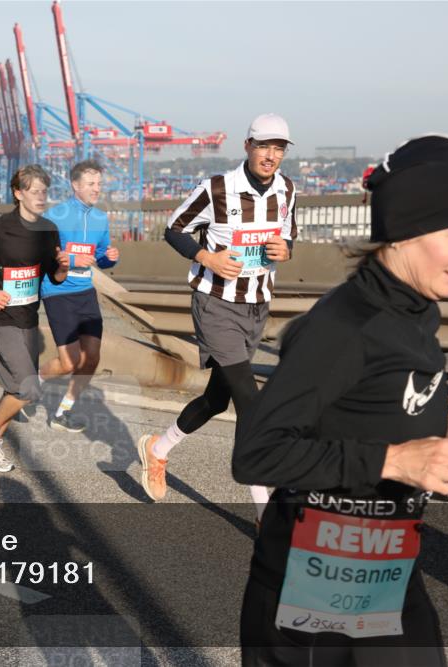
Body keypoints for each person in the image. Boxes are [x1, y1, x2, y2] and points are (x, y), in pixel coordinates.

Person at [232, 134, 448, 666]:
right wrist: (398, 459)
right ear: (405, 231)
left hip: (386, 573)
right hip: (309, 595)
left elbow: (369, 410)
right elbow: (257, 455)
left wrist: (441, 443)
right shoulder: (344, 326)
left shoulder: (417, 311)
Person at [137, 113, 297, 512]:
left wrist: (287, 249)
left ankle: (157, 449)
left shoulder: (287, 189)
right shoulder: (217, 188)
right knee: (250, 402)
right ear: (247, 146)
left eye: (278, 148)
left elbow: (288, 234)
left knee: (217, 400)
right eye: (263, 146)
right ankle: (266, 513)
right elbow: (173, 228)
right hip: (216, 304)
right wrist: (206, 256)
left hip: (257, 304)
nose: (271, 155)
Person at [0, 165, 69, 471]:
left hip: (29, 318)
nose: (41, 196)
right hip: (0, 317)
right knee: (28, 389)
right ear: (18, 193)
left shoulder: (48, 230)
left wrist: (62, 266)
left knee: (15, 389)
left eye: (44, 191)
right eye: (34, 191)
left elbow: (54, 277)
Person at [38, 160, 120, 432]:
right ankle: (27, 385)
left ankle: (63, 412)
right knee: (68, 362)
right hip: (58, 292)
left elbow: (99, 258)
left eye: (99, 184)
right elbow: (44, 255)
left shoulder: (99, 218)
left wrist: (109, 258)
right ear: (75, 186)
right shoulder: (55, 216)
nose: (97, 189)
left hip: (86, 292)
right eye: (90, 184)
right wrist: (73, 258)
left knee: (92, 357)